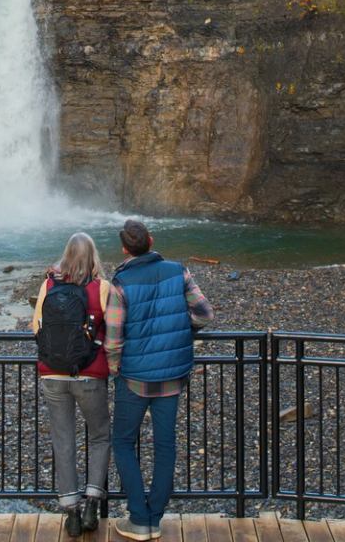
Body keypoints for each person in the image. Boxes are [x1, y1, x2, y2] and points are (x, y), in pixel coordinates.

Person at [105, 218, 213, 541]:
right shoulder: (178, 270)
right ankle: (154, 516)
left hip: (134, 379)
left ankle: (139, 517)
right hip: (171, 376)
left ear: (125, 248)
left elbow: (113, 339)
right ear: (151, 241)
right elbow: (205, 314)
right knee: (166, 446)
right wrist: (184, 328)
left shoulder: (120, 283)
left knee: (123, 441)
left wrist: (114, 369)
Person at [33, 232, 118, 536]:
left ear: (66, 255)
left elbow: (36, 327)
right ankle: (93, 502)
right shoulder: (103, 287)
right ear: (93, 256)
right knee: (99, 436)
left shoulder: (49, 284)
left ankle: (71, 511)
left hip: (52, 374)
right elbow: (114, 329)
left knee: (63, 440)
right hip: (90, 373)